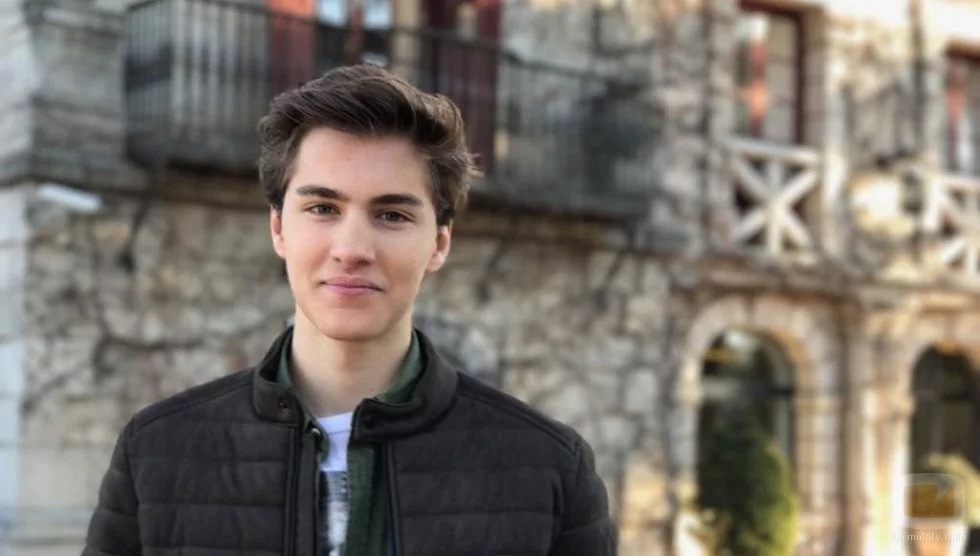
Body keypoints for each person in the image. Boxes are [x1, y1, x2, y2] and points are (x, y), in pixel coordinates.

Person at [82, 63, 615, 556]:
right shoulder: (155, 452)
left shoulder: (549, 469)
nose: (352, 248)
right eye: (322, 208)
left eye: (391, 215)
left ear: (439, 243)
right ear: (278, 228)